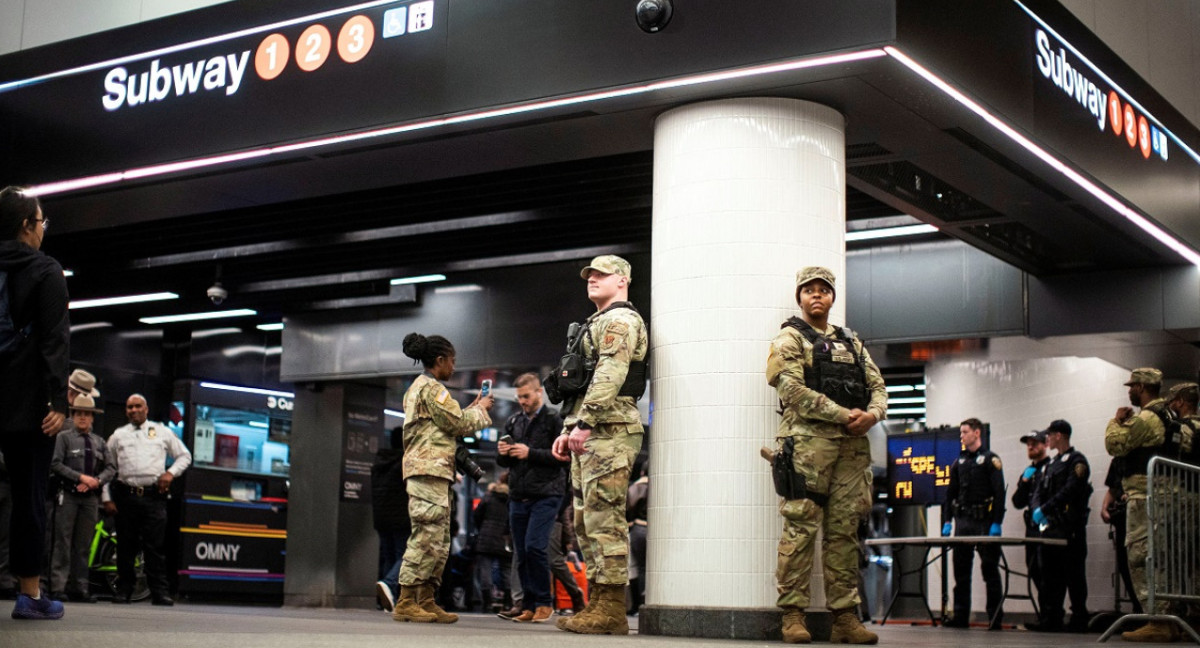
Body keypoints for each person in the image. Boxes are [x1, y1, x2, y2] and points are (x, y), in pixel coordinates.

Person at [765, 266, 887, 645]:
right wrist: (842, 414)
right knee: (800, 529)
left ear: (832, 297)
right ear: (799, 297)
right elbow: (791, 389)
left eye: (824, 290)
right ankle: (793, 615)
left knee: (844, 533)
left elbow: (878, 386)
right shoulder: (788, 339)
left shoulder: (853, 343)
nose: (816, 296)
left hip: (852, 451)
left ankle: (845, 618)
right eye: (809, 291)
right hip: (807, 449)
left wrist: (873, 415)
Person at [551, 254, 648, 635]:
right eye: (589, 275)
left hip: (609, 430)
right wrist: (569, 426)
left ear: (622, 280)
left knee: (604, 518)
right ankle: (597, 604)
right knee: (585, 519)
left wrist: (586, 422)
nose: (592, 279)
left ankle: (611, 609)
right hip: (591, 429)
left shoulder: (621, 320)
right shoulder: (597, 321)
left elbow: (611, 372)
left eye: (602, 275)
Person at [0, 186, 70, 620]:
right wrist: (58, 400)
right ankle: (29, 595)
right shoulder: (45, 270)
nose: (43, 229)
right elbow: (54, 341)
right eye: (41, 221)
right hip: (27, 405)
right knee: (29, 495)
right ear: (26, 225)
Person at [392, 332, 494, 624]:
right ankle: (407, 599)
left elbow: (446, 423)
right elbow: (458, 424)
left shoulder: (421, 389)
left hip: (433, 472)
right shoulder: (431, 389)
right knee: (425, 537)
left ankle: (426, 599)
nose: (454, 366)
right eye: (452, 361)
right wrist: (482, 411)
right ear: (440, 360)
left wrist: (474, 407)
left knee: (437, 539)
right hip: (428, 472)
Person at [1104, 367, 1177, 642]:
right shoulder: (1169, 415)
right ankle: (1171, 620)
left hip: (1145, 498)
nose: (1129, 390)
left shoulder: (1147, 417)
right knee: (1164, 559)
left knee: (1140, 557)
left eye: (1132, 386)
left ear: (1143, 387)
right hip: (1164, 496)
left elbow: (1115, 444)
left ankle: (1157, 620)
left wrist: (1115, 421)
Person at [103, 393, 192, 605]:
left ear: (146, 409)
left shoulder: (162, 432)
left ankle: (159, 592)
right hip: (126, 495)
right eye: (129, 407)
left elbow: (185, 456)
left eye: (137, 406)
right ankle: (124, 590)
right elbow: (107, 468)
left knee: (155, 546)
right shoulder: (118, 435)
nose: (133, 410)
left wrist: (170, 473)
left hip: (154, 496)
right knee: (125, 546)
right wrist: (106, 497)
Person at [496, 372, 568, 623]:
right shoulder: (514, 421)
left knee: (535, 547)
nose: (523, 402)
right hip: (518, 494)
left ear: (539, 392)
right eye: (519, 398)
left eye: (526, 396)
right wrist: (503, 453)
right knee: (522, 552)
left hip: (547, 493)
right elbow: (504, 462)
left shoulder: (555, 420)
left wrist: (530, 453)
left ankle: (544, 602)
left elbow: (562, 457)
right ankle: (527, 604)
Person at [49, 394, 115, 603]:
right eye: (79, 414)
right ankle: (58, 587)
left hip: (90, 499)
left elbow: (112, 467)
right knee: (63, 542)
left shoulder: (99, 442)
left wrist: (96, 480)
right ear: (73, 415)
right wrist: (79, 477)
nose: (83, 418)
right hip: (68, 495)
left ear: (93, 418)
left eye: (87, 414)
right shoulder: (64, 437)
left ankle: (80, 588)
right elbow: (55, 463)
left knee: (83, 545)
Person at [1027, 420, 1091, 632]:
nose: (1048, 439)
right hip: (1051, 528)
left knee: (1074, 576)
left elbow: (1071, 489)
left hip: (1069, 527)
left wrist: (1045, 508)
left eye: (1050, 435)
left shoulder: (1077, 461)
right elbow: (1038, 491)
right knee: (1050, 577)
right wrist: (1039, 510)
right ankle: (1051, 617)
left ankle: (1079, 618)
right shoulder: (1050, 464)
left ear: (1060, 435)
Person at [942, 417, 1005, 629]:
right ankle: (960, 617)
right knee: (961, 572)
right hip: (963, 522)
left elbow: (999, 494)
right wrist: (947, 521)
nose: (961, 435)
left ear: (977, 433)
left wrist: (997, 522)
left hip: (984, 522)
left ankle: (994, 618)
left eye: (965, 431)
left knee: (990, 570)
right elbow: (950, 494)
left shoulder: (990, 460)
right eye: (961, 432)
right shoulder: (959, 462)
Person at [372, 427, 410, 612]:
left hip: (381, 516)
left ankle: (389, 599)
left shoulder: (380, 461)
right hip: (401, 515)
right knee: (406, 554)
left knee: (389, 556)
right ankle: (389, 584)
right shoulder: (405, 462)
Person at [1010, 430, 1049, 604]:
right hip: (1031, 528)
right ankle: (1044, 614)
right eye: (1028, 444)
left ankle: (1051, 615)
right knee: (1033, 569)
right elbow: (1017, 502)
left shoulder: (1052, 466)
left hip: (1048, 527)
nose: (1031, 447)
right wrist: (1025, 483)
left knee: (1047, 570)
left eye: (1035, 443)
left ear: (1045, 445)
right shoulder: (1029, 471)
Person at [472, 475, 512, 613]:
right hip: (505, 538)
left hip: (486, 537)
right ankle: (508, 602)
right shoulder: (511, 499)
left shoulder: (489, 497)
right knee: (506, 570)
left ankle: (487, 603)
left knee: (485, 570)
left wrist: (482, 528)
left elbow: (476, 515)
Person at [626, 464, 648, 616]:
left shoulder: (637, 486)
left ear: (642, 471)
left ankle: (637, 606)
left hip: (638, 528)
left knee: (637, 568)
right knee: (649, 568)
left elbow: (628, 507)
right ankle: (648, 602)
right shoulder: (660, 485)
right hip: (655, 531)